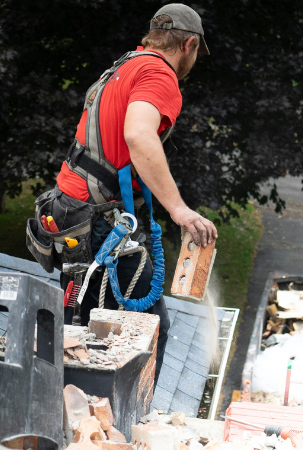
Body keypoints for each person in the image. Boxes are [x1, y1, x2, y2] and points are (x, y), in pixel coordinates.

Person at [44, 4, 218, 386]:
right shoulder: (159, 74)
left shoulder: (125, 66)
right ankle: (116, 420)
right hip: (99, 221)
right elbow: (138, 135)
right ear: (189, 44)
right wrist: (179, 209)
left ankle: (68, 406)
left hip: (71, 211)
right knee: (143, 331)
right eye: (195, 53)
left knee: (78, 325)